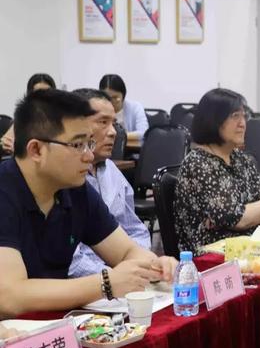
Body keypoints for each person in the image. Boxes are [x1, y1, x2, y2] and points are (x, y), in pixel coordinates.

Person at [0, 90, 176, 319]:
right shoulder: (5, 191)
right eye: (77, 145)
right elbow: (9, 296)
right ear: (36, 150)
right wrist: (105, 284)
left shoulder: (75, 190)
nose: (89, 156)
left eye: (89, 143)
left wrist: (157, 266)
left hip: (52, 325)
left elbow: (126, 252)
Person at [174, 88, 260, 254]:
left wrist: (259, 209)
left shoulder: (242, 159)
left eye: (243, 116)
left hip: (251, 250)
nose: (242, 123)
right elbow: (237, 219)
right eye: (235, 116)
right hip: (212, 258)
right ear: (213, 120)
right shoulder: (198, 164)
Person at [69, 88, 151, 278]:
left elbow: (136, 230)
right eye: (103, 122)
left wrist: (144, 263)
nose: (114, 132)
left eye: (114, 123)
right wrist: (115, 276)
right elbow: (71, 262)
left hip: (122, 272)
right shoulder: (65, 180)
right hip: (86, 282)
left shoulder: (112, 171)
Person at [1, 73, 56, 154]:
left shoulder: (60, 118)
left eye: (47, 92)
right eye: (38, 93)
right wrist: (9, 144)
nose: (43, 97)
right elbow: (6, 142)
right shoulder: (24, 117)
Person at [99, 74, 148, 141]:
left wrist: (119, 136)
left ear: (123, 95)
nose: (111, 101)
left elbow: (144, 132)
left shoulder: (135, 107)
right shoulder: (97, 109)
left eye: (115, 97)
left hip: (130, 146)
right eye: (107, 98)